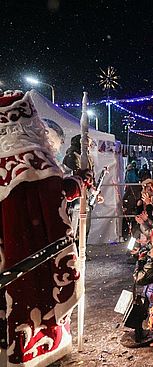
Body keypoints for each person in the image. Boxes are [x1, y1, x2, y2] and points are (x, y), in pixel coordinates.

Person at [0, 90, 83, 365]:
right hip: (28, 253)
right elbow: (53, 198)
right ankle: (32, 350)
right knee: (30, 305)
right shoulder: (34, 159)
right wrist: (78, 183)